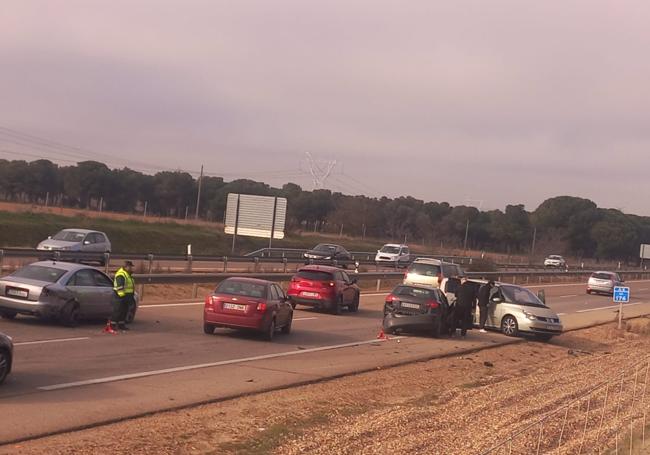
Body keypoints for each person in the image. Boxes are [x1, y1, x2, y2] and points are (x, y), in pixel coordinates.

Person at [111, 260, 136, 330]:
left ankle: (121, 324)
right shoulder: (121, 274)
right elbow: (119, 286)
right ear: (126, 267)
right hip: (120, 296)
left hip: (127, 296)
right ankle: (112, 325)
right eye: (130, 267)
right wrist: (122, 296)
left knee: (124, 311)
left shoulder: (127, 274)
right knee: (117, 310)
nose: (131, 268)